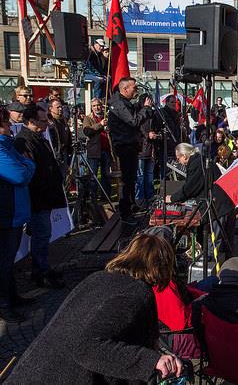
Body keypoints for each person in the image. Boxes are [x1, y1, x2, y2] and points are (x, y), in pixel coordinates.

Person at [5, 233, 183, 384]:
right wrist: (151, 361)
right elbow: (87, 347)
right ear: (162, 267)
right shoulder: (135, 293)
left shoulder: (98, 278)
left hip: (32, 372)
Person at [14, 106, 66, 289]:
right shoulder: (23, 140)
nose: (47, 124)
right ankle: (40, 272)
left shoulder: (39, 137)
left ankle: (43, 267)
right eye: (43, 121)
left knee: (44, 235)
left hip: (46, 195)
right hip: (38, 197)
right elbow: (31, 171)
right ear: (31, 121)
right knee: (41, 235)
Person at [0, 106, 35, 322]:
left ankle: (12, 297)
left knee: (8, 259)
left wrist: (28, 164)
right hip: (5, 213)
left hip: (14, 213)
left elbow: (26, 164)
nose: (10, 125)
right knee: (3, 261)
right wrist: (29, 164)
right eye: (5, 123)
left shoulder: (7, 145)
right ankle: (4, 304)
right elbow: (21, 173)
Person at [108, 77, 153, 224]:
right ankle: (125, 212)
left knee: (132, 179)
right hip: (124, 145)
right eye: (134, 87)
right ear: (125, 88)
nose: (136, 90)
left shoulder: (126, 103)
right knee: (127, 180)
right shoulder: (119, 104)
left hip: (131, 145)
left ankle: (132, 206)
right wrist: (145, 109)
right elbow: (133, 121)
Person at [83, 98, 112, 199]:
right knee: (93, 176)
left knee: (106, 175)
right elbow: (87, 131)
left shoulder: (107, 117)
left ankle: (106, 196)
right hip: (94, 151)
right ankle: (93, 197)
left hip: (106, 150)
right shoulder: (88, 118)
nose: (97, 108)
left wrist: (109, 128)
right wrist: (100, 125)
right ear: (91, 107)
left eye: (98, 105)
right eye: (94, 106)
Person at [48, 99, 72, 175]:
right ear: (50, 108)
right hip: (54, 153)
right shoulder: (48, 122)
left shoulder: (63, 120)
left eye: (61, 107)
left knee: (63, 175)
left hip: (64, 152)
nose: (60, 109)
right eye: (57, 107)